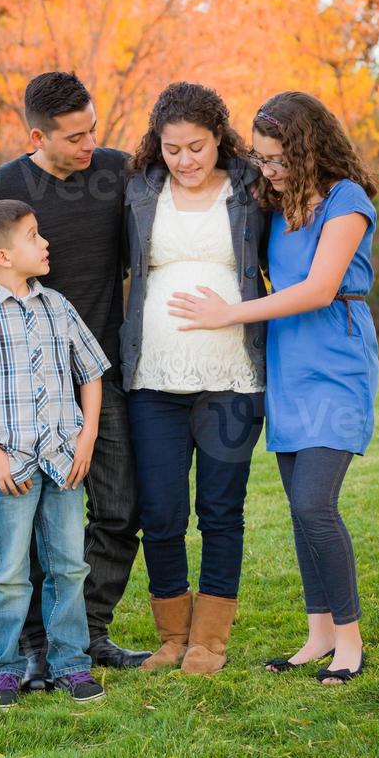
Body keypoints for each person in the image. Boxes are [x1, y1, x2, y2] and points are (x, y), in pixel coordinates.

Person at [0, 71, 150, 685]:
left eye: (93, 128)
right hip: (19, 392)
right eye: (74, 137)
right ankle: (38, 646)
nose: (89, 143)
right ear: (37, 134)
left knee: (119, 509)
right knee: (35, 518)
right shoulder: (1, 187)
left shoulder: (116, 170)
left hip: (100, 372)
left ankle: (88, 633)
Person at [169, 90, 378, 685]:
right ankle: (318, 636)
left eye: (279, 159)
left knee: (316, 503)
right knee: (298, 509)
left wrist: (227, 313)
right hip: (285, 362)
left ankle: (350, 642)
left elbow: (317, 289)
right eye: (261, 160)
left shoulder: (347, 200)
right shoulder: (277, 200)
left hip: (335, 360)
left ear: (309, 148)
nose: (269, 170)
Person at [0, 199, 111, 707]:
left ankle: (71, 664)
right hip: (8, 468)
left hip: (63, 459)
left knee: (70, 566)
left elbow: (91, 372)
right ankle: (5, 668)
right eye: (35, 235)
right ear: (4, 256)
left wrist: (88, 435)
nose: (46, 242)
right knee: (10, 572)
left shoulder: (58, 306)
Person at [122, 82, 268, 676]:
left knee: (219, 511)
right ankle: (172, 637)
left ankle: (210, 642)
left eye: (197, 147)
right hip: (152, 379)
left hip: (231, 377)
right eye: (172, 148)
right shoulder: (137, 191)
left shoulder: (251, 189)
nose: (184, 160)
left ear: (220, 139)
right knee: (159, 512)